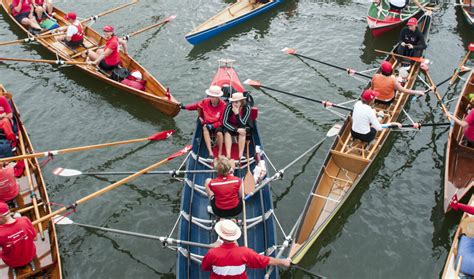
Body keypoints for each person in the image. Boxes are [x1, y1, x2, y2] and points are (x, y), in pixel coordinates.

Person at [202, 219, 291, 278]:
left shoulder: (212, 253)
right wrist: (283, 262)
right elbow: (265, 260)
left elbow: (205, 268)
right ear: (235, 237)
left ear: (221, 237)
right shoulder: (245, 252)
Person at [181, 86, 226, 158]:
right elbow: (195, 106)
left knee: (220, 134)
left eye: (214, 97)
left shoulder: (223, 105)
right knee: (205, 128)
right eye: (211, 96)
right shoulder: (205, 102)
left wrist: (212, 126)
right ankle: (210, 152)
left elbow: (222, 121)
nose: (212, 98)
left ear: (218, 97)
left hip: (217, 124)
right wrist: (184, 107)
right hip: (207, 123)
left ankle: (220, 152)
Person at [0, 202, 37, 269]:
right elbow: (35, 238)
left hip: (12, 262)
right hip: (31, 255)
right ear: (8, 211)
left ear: (1, 216)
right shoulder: (25, 220)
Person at [223, 92, 250, 160]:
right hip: (230, 125)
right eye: (233, 102)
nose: (234, 104)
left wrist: (237, 114)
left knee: (243, 132)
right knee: (227, 132)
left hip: (241, 125)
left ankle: (240, 155)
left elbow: (243, 124)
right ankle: (228, 155)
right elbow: (224, 122)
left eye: (236, 102)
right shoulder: (229, 106)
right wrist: (236, 130)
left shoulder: (247, 108)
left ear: (241, 102)